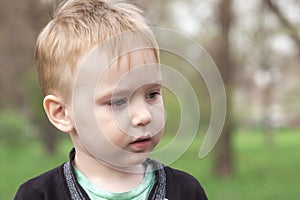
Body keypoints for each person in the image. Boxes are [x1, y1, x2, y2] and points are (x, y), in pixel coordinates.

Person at [14, 0, 208, 199]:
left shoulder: (186, 191)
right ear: (62, 113)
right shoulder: (39, 195)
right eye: (118, 102)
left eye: (152, 94)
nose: (144, 116)